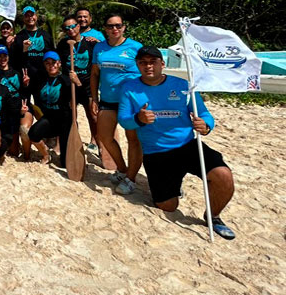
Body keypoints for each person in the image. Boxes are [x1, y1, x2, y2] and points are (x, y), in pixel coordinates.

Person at [118, 47, 236, 239]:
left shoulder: (183, 85)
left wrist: (206, 125)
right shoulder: (129, 88)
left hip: (188, 146)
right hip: (156, 152)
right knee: (168, 206)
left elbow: (204, 114)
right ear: (138, 65)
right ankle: (174, 185)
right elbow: (124, 119)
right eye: (143, 62)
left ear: (162, 64)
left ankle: (212, 216)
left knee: (224, 176)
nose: (148, 66)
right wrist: (138, 119)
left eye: (153, 61)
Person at [90, 13, 143, 195]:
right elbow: (95, 74)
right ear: (105, 28)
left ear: (124, 27)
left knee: (133, 140)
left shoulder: (135, 47)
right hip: (107, 99)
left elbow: (147, 73)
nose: (115, 29)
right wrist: (94, 98)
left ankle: (131, 178)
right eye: (110, 26)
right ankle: (122, 169)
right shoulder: (100, 48)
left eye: (118, 25)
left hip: (131, 102)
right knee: (104, 137)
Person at [28, 51, 80, 166]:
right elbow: (26, 65)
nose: (51, 66)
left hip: (66, 121)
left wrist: (77, 82)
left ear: (59, 63)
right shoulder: (40, 79)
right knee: (33, 133)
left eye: (54, 63)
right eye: (48, 63)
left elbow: (80, 97)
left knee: (64, 164)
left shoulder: (67, 80)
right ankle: (47, 154)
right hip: (50, 119)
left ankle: (64, 153)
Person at [56, 15, 98, 151]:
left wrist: (98, 41)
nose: (71, 29)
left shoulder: (91, 43)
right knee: (70, 115)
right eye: (67, 28)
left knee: (92, 114)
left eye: (73, 26)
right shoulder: (63, 44)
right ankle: (71, 141)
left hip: (86, 85)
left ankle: (96, 140)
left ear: (79, 26)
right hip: (69, 85)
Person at [11, 6, 54, 107]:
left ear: (36, 16)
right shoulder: (19, 37)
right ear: (23, 19)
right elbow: (15, 60)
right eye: (27, 16)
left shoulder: (46, 35)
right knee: (25, 109)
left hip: (42, 78)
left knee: (43, 109)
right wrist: (24, 50)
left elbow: (52, 56)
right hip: (25, 80)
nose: (30, 18)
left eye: (32, 15)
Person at [0, 45, 32, 158]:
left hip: (20, 107)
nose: (2, 59)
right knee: (13, 152)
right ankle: (14, 145)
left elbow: (24, 92)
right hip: (6, 111)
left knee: (24, 130)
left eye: (4, 56)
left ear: (8, 57)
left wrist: (26, 84)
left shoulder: (17, 73)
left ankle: (27, 155)